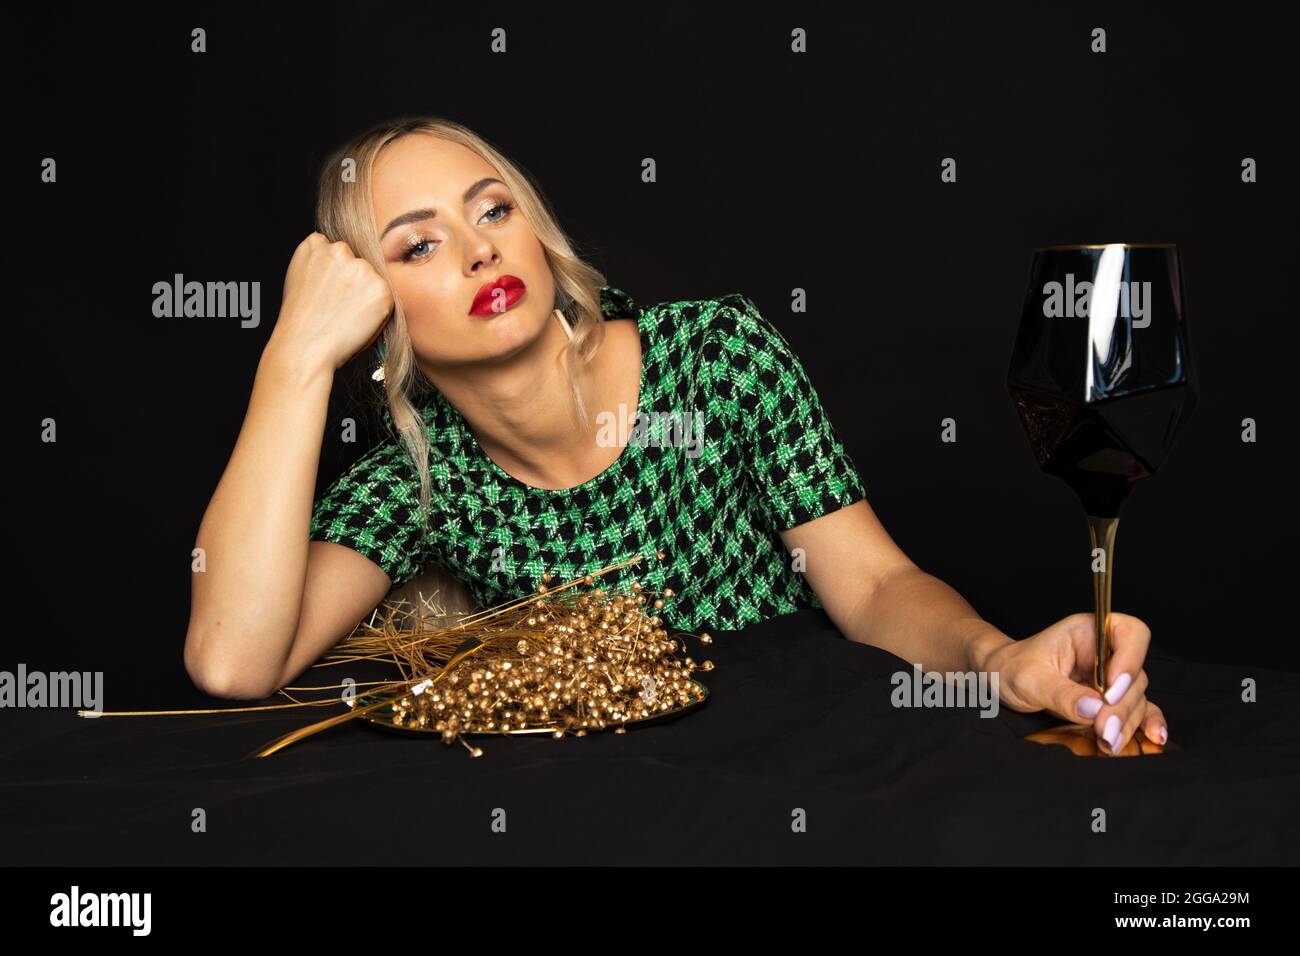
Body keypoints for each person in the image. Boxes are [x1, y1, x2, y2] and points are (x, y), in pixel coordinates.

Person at [183, 116, 1168, 756]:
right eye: (419, 242)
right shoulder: (419, 477)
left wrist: (997, 657)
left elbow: (870, 585)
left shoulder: (714, 355)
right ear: (371, 306)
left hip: (815, 758)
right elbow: (233, 660)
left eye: (492, 208)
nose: (480, 244)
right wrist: (294, 359)